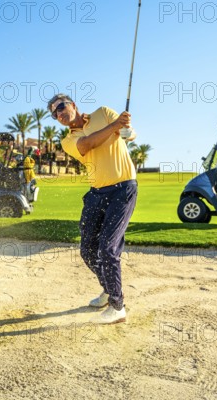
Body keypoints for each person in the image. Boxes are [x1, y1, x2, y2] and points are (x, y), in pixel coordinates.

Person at [47, 93, 137, 325]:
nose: (59, 114)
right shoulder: (68, 140)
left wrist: (125, 129)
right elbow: (87, 145)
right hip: (96, 193)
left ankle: (118, 307)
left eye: (61, 107)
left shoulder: (104, 113)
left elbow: (129, 133)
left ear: (73, 105)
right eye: (54, 113)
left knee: (107, 247)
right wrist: (115, 126)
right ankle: (108, 289)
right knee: (87, 249)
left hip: (122, 189)